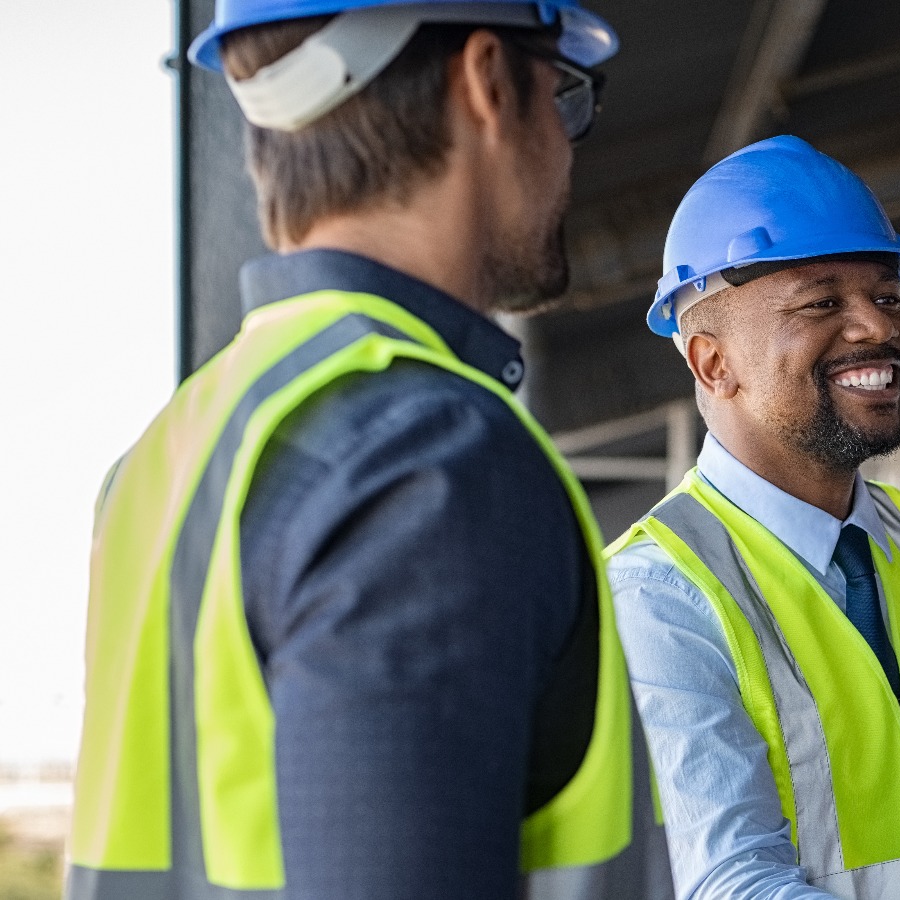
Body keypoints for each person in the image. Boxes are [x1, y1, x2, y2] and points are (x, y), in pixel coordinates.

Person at [67, 3, 632, 898]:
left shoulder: (167, 451)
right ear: (487, 80)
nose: (568, 151)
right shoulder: (430, 459)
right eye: (560, 96)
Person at [605, 134, 900, 900]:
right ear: (712, 363)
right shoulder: (660, 592)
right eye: (823, 302)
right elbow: (731, 881)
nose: (879, 328)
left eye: (888, 296)